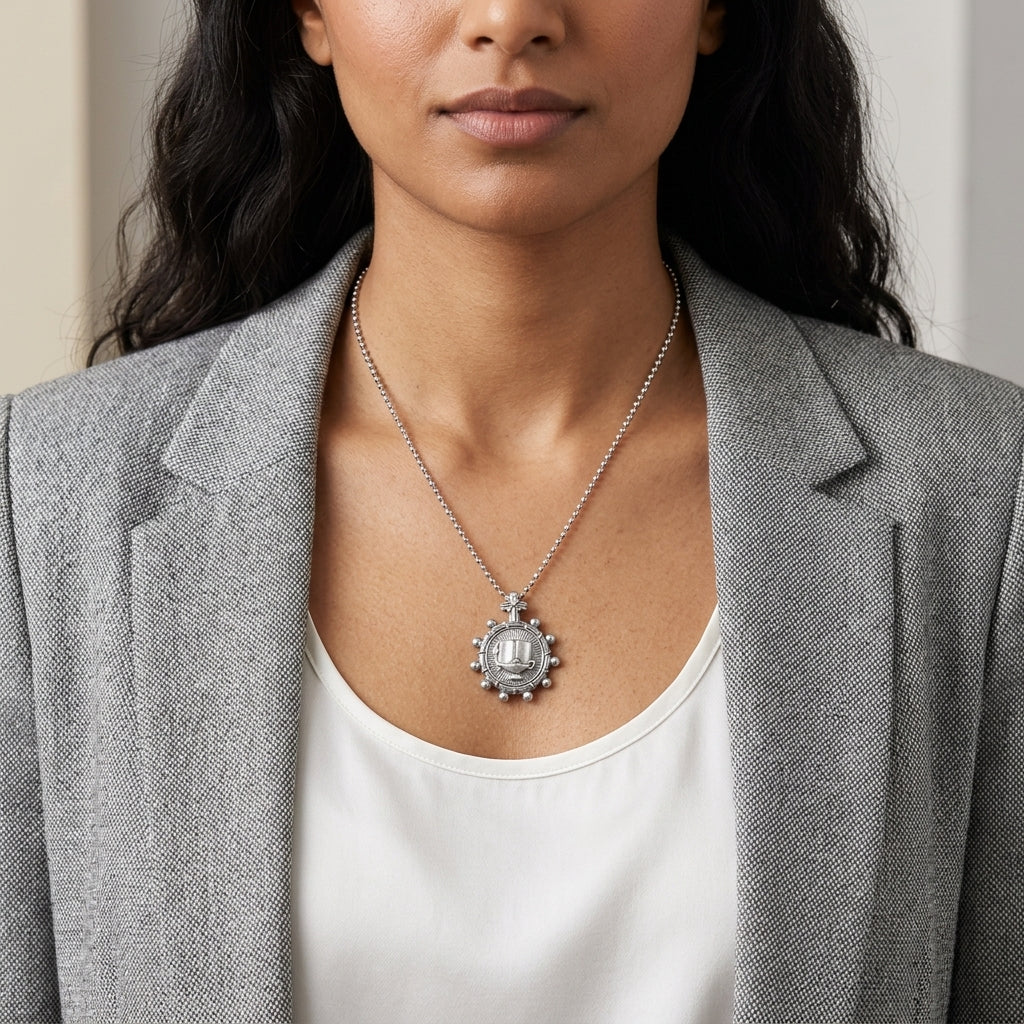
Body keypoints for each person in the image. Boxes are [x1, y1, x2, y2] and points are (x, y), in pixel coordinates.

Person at [2, 0, 1021, 1020]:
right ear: (309, 13)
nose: (510, 18)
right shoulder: (45, 497)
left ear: (714, 11)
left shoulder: (977, 493)